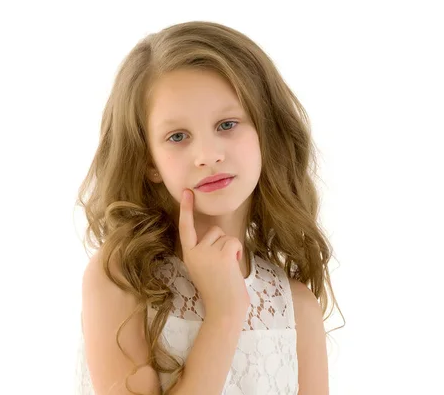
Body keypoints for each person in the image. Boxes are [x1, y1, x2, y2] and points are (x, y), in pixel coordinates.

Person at [74, 20, 344, 395]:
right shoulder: (123, 278)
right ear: (149, 161)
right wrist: (224, 313)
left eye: (227, 124)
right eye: (178, 136)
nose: (208, 156)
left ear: (265, 131)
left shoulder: (297, 308)